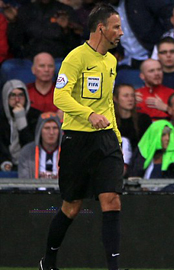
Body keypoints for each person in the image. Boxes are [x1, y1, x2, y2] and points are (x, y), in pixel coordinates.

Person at [39, 4, 125, 270]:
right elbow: (60, 96)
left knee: (111, 200)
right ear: (101, 29)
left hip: (106, 139)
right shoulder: (75, 58)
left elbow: (108, 103)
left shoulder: (111, 61)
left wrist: (117, 137)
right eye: (116, 27)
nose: (121, 33)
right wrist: (88, 115)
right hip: (78, 140)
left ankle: (114, 268)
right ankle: (49, 260)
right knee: (71, 207)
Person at [111, 0, 174, 69]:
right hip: (126, 61)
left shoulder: (141, 2)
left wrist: (164, 45)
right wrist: (115, 51)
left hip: (154, 56)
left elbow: (168, 14)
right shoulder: (103, 10)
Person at [7, 0, 82, 59]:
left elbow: (75, 46)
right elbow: (16, 44)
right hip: (30, 59)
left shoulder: (66, 11)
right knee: (8, 67)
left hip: (58, 59)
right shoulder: (25, 11)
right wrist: (13, 23)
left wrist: (66, 30)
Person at [0, 79, 42, 171]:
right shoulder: (1, 118)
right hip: (4, 165)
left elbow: (32, 147)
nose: (17, 100)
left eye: (21, 95)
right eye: (13, 95)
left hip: (31, 164)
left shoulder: (36, 116)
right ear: (6, 97)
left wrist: (21, 119)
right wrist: (4, 162)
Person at [18, 112, 61, 179]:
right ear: (40, 131)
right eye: (47, 128)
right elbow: (24, 183)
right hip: (34, 189)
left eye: (55, 128)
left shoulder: (68, 151)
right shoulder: (27, 152)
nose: (51, 132)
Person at [113, 83, 151, 152]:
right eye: (126, 96)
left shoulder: (144, 120)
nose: (130, 99)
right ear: (115, 99)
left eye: (132, 96)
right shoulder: (110, 121)